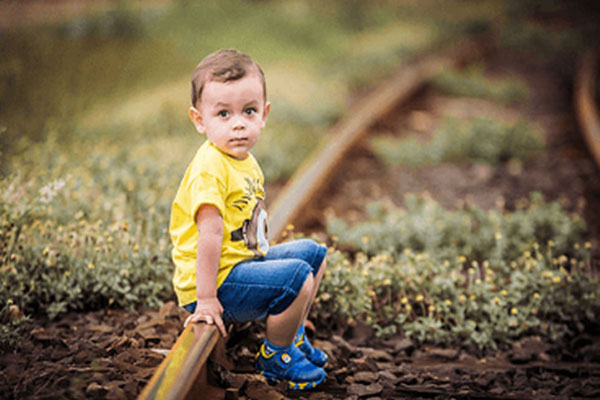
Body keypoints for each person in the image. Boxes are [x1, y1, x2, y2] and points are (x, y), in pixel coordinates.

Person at [169, 49, 328, 390]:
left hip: (239, 264)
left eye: (249, 111)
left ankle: (292, 336)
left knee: (315, 255)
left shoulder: (243, 159)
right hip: (214, 282)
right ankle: (276, 356)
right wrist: (206, 300)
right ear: (199, 120)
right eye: (223, 113)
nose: (238, 123)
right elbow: (209, 236)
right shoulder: (210, 169)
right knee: (297, 277)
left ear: (264, 114)